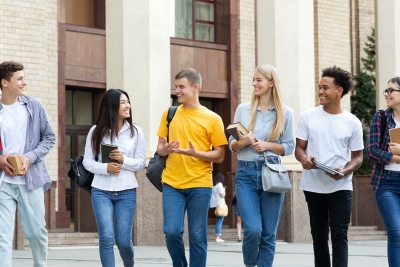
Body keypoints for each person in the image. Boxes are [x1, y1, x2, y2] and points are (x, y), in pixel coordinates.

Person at [156, 68, 228, 267]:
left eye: (181, 87)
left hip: (200, 184)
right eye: (176, 86)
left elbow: (220, 155)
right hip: (172, 183)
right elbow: (160, 149)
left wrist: (196, 153)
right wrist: (167, 149)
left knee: (197, 236)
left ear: (195, 88)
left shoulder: (213, 118)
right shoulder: (169, 114)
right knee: (171, 231)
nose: (177, 90)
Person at [295, 66, 363, 267]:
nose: (320, 92)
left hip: (341, 185)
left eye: (325, 88)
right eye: (319, 87)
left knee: (340, 234)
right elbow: (299, 149)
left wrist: (346, 170)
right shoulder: (308, 116)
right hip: (313, 185)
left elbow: (358, 157)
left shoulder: (352, 122)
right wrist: (304, 159)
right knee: (318, 235)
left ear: (339, 91)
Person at [229, 64, 294, 267]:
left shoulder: (286, 113)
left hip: (272, 172)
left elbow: (289, 147)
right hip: (246, 173)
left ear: (271, 83)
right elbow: (232, 145)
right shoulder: (242, 109)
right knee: (253, 229)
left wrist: (267, 145)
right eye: (254, 79)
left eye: (259, 80)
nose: (254, 83)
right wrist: (244, 142)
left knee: (268, 233)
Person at [0, 61, 56, 267]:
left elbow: (49, 138)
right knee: (2, 237)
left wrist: (30, 156)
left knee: (36, 232)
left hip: (30, 180)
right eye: (20, 78)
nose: (25, 82)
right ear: (5, 82)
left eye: (24, 77)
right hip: (3, 183)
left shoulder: (34, 105)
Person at [83, 89, 146, 267]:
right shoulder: (96, 131)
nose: (128, 106)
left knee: (124, 241)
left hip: (126, 191)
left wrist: (122, 160)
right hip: (101, 191)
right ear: (112, 106)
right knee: (106, 237)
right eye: (123, 102)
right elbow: (87, 161)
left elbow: (141, 162)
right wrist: (106, 168)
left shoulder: (136, 132)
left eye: (128, 101)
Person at [366, 77, 400, 267]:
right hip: (387, 182)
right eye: (385, 91)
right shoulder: (381, 118)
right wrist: (395, 157)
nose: (386, 94)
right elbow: (371, 151)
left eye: (391, 91)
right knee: (396, 232)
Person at [209, 173, 226, 242]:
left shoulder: (213, 186)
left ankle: (218, 234)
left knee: (219, 219)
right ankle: (217, 236)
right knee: (219, 220)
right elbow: (222, 195)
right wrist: (224, 189)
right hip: (219, 205)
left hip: (213, 205)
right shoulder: (220, 185)